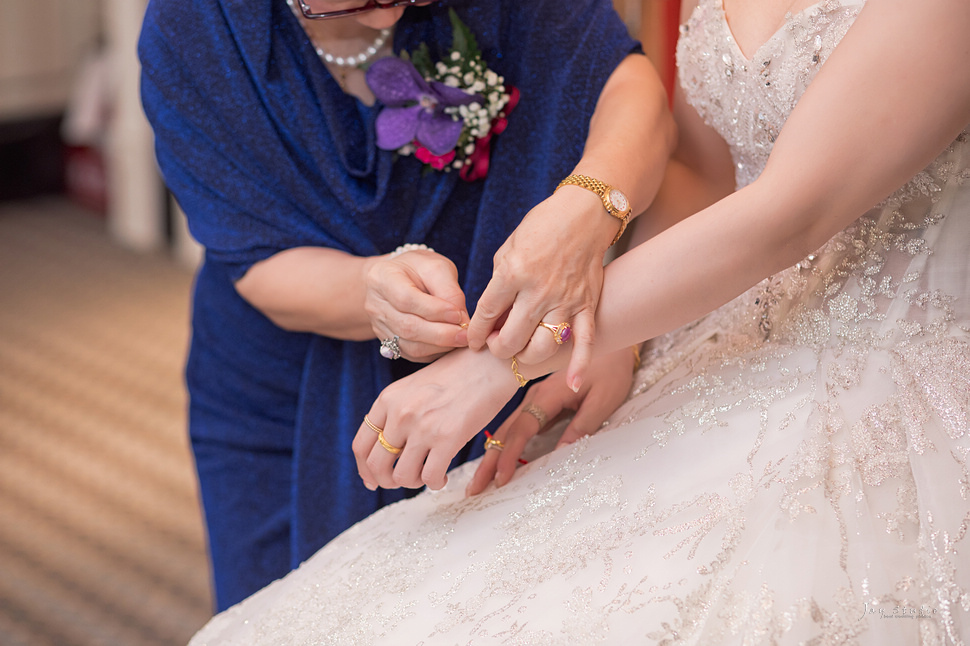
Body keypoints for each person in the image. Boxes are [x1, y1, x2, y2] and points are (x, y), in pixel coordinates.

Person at [188, 0, 970, 641]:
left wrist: (506, 360)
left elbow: (784, 216)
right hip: (732, 334)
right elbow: (703, 176)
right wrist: (614, 344)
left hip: (894, 366)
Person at [138, 0, 673, 612]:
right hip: (280, 391)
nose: (386, 13)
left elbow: (628, 89)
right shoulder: (194, 25)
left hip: (508, 355)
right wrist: (372, 293)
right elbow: (257, 262)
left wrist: (588, 207)